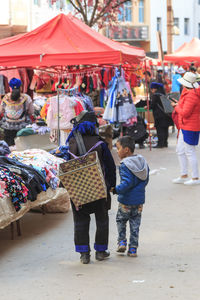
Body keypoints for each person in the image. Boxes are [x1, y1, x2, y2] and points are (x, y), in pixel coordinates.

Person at [68, 111, 116, 264]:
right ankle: (101, 251)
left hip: (78, 189)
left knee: (80, 221)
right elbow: (110, 167)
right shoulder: (101, 144)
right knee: (102, 219)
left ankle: (84, 254)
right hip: (99, 187)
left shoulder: (72, 143)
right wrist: (111, 185)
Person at [111, 136, 149, 257]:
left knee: (121, 220)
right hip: (139, 201)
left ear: (126, 150)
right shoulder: (142, 162)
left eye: (118, 148)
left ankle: (122, 241)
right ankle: (133, 249)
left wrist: (116, 190)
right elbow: (146, 179)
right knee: (135, 224)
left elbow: (126, 183)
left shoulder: (125, 164)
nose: (117, 151)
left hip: (126, 200)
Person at [172, 72, 200, 185]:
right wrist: (178, 104)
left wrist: (176, 106)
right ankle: (184, 174)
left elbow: (185, 112)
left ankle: (195, 178)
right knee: (180, 150)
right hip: (186, 125)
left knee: (189, 151)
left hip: (189, 125)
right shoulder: (190, 92)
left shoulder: (192, 95)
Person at [0, 78, 34, 146]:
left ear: (10, 87)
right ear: (21, 86)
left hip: (8, 127)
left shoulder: (5, 98)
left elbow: (1, 111)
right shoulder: (26, 98)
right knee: (22, 146)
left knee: (9, 146)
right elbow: (31, 112)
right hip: (22, 127)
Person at [150, 82, 173, 148]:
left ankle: (160, 144)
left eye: (152, 89)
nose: (151, 91)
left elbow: (152, 105)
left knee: (160, 130)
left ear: (155, 89)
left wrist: (147, 106)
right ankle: (165, 143)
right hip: (166, 115)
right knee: (165, 130)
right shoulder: (164, 94)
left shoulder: (155, 95)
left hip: (159, 116)